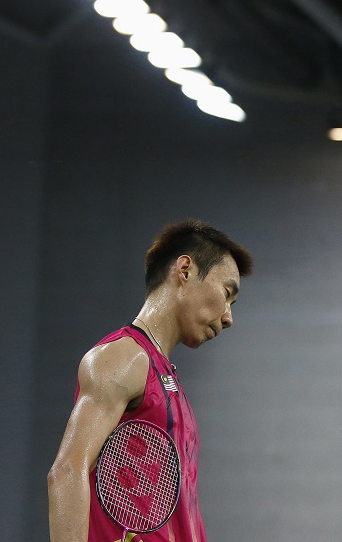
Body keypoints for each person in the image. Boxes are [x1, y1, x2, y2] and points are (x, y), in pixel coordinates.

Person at [48, 219, 253, 542]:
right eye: (227, 294)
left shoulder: (167, 380)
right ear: (184, 269)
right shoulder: (122, 358)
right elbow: (66, 472)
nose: (228, 317)